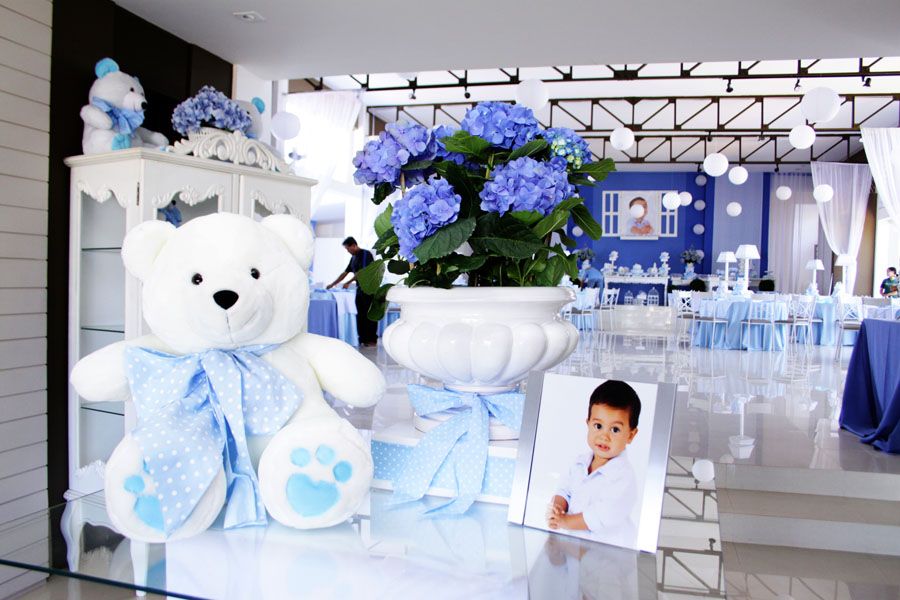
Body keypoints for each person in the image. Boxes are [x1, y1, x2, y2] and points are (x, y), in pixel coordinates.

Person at [547, 380, 640, 544]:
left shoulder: (623, 476)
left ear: (631, 435)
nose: (604, 436)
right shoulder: (579, 463)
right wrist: (558, 508)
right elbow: (564, 490)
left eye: (615, 429)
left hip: (606, 550)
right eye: (598, 426)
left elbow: (603, 515)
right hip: (573, 545)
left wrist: (566, 522)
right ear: (588, 424)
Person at [326, 237, 379, 347]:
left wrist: (348, 282)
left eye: (348, 248)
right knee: (360, 314)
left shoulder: (365, 254)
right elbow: (345, 273)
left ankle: (371, 340)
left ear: (354, 245)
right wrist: (332, 284)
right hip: (360, 290)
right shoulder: (353, 258)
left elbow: (363, 272)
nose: (347, 251)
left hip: (369, 289)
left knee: (369, 314)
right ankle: (362, 339)